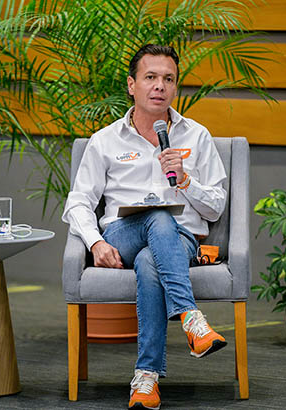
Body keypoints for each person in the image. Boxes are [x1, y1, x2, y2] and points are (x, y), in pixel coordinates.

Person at [62, 44, 228, 410]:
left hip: (181, 239)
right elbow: (78, 202)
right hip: (123, 235)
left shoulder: (197, 136)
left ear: (175, 86)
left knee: (152, 259)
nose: (159, 86)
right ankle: (191, 318)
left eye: (168, 79)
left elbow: (216, 207)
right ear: (131, 84)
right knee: (157, 216)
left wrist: (186, 181)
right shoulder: (105, 140)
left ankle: (146, 378)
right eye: (150, 77)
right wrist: (94, 243)